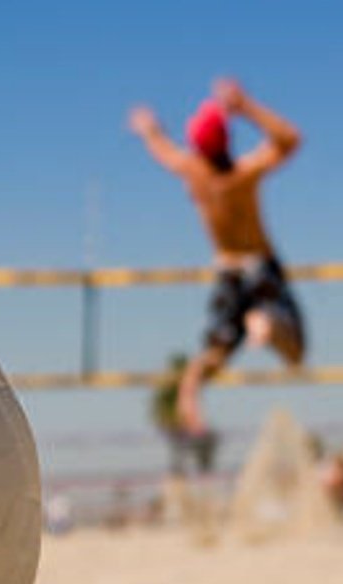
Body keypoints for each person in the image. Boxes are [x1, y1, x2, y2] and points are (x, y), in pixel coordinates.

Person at [129, 78, 305, 435]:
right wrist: (246, 106)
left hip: (227, 271)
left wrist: (150, 130)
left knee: (216, 349)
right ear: (227, 143)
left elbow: (164, 153)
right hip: (259, 266)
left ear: (197, 147)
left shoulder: (195, 174)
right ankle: (264, 322)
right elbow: (290, 140)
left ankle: (191, 389)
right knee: (294, 351)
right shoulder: (242, 174)